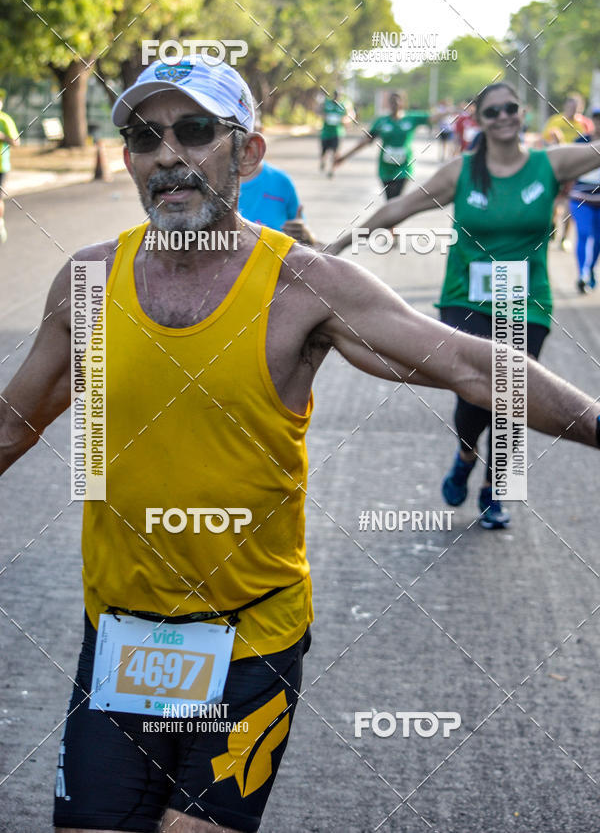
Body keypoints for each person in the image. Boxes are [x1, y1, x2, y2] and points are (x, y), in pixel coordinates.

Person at [2, 60, 600, 833]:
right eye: (144, 137)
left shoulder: (303, 285)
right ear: (128, 159)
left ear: (246, 154)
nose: (166, 156)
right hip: (121, 638)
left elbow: (471, 362)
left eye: (193, 131)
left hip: (252, 640)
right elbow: (15, 421)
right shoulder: (88, 281)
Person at [329, 81, 600, 531]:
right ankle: (464, 454)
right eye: (492, 112)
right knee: (474, 395)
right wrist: (336, 246)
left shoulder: (548, 164)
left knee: (515, 398)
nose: (504, 117)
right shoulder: (462, 171)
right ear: (480, 119)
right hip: (467, 298)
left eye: (511, 108)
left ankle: (496, 492)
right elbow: (401, 209)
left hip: (524, 300)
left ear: (522, 113)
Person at [334, 91, 430, 199]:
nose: (395, 103)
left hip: (404, 166)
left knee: (396, 199)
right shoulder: (382, 121)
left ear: (403, 103)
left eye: (398, 100)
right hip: (386, 168)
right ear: (389, 104)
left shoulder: (411, 118)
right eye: (392, 101)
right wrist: (344, 157)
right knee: (390, 199)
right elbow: (365, 141)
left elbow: (433, 117)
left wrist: (450, 111)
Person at [239, 118, 314, 245]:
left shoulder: (281, 182)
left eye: (253, 129)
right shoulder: (209, 184)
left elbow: (307, 241)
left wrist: (305, 235)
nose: (247, 142)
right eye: (241, 130)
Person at [543, 93, 592, 250]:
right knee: (554, 202)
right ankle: (552, 226)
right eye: (570, 106)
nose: (572, 110)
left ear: (581, 108)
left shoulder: (585, 124)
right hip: (556, 168)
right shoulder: (555, 121)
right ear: (565, 106)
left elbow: (591, 143)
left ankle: (564, 238)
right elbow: (544, 142)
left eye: (576, 108)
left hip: (576, 169)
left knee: (570, 204)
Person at [570, 109, 600, 293]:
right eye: (597, 119)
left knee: (597, 240)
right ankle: (582, 274)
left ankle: (589, 269)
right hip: (581, 197)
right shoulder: (580, 143)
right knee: (584, 233)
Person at [0, 90, 20, 244]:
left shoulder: (5, 120)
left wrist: (3, 137)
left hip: (1, 166)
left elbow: (16, 143)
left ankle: (0, 224)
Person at [319, 89, 352, 178]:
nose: (336, 98)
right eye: (335, 95)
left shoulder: (343, 106)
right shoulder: (327, 104)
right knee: (324, 151)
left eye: (338, 96)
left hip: (337, 133)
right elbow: (320, 112)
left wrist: (343, 120)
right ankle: (323, 161)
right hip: (326, 133)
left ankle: (332, 170)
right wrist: (325, 116)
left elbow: (349, 116)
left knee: (335, 152)